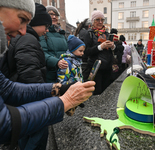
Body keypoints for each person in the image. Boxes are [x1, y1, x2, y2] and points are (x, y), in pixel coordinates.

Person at [0, 0, 95, 148]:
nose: (24, 31)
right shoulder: (28, 39)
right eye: (22, 19)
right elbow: (4, 124)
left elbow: (7, 88)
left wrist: (59, 88)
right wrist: (65, 101)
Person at [3, 3, 53, 150]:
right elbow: (29, 75)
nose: (47, 30)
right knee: (35, 139)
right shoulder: (28, 40)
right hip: (30, 101)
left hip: (22, 100)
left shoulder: (25, 38)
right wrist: (46, 101)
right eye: (45, 25)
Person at [83, 10, 116, 95]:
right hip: (96, 69)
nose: (100, 22)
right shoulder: (89, 34)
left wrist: (112, 46)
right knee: (97, 93)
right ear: (93, 21)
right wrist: (100, 47)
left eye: (102, 19)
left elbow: (114, 50)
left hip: (107, 68)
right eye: (97, 19)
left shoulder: (107, 33)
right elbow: (86, 52)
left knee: (106, 93)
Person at [40, 5, 68, 83]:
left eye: (56, 15)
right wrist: (56, 62)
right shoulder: (42, 32)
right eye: (51, 14)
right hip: (50, 73)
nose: (54, 17)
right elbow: (42, 53)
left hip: (64, 72)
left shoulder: (61, 33)